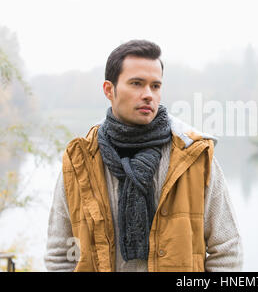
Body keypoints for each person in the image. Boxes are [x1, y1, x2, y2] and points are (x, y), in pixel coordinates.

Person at [44, 40, 243, 272]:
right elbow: (59, 255)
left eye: (155, 86)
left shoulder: (194, 156)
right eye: (137, 84)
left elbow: (227, 249)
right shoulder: (80, 160)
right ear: (109, 90)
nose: (148, 95)